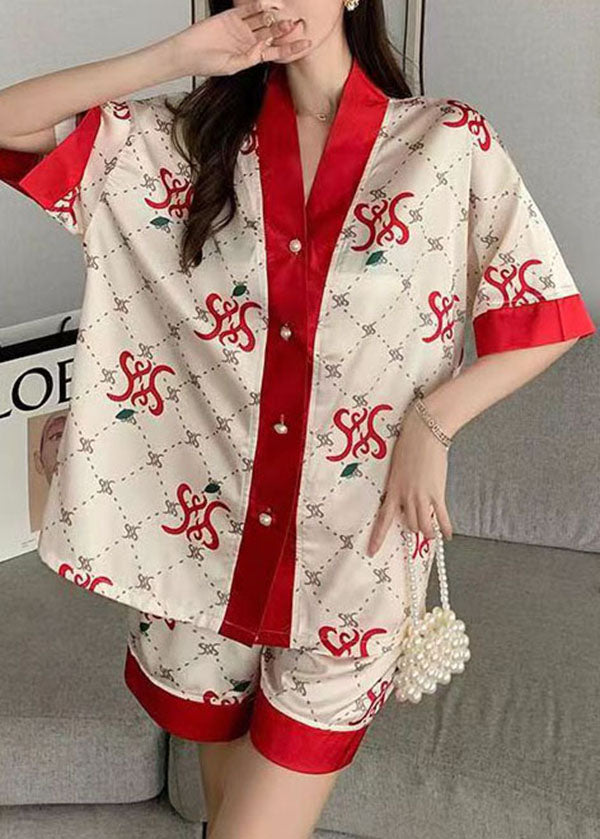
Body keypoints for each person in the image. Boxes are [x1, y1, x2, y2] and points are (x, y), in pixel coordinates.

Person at [0, 1, 595, 837]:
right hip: (200, 561)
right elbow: (9, 124)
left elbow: (545, 316)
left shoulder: (447, 144)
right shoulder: (189, 145)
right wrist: (181, 54)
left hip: (356, 561)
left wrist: (434, 423)